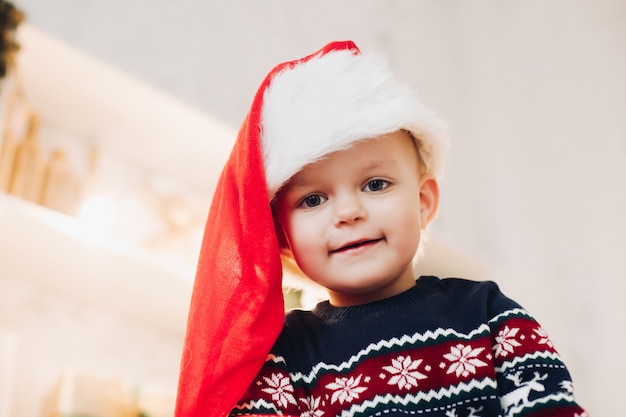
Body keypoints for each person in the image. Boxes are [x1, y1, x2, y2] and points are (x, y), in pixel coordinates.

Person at [174, 41, 587, 417]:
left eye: (375, 184)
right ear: (280, 236)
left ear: (423, 202)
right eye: (313, 199)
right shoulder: (286, 359)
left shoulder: (485, 314)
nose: (349, 212)